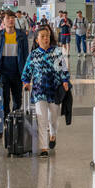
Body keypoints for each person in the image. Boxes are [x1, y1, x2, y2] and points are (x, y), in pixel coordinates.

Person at [21, 25, 71, 157]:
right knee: (41, 119)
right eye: (42, 37)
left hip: (54, 91)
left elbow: (63, 69)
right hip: (39, 91)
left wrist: (65, 81)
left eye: (47, 36)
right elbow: (26, 72)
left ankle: (53, 134)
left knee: (53, 118)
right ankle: (44, 148)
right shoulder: (33, 55)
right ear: (37, 40)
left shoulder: (56, 52)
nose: (45, 39)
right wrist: (26, 82)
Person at [0, 12, 29, 116]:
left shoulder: (21, 35)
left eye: (12, 18)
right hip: (3, 72)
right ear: (3, 21)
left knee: (17, 99)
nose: (11, 20)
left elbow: (26, 55)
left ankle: (15, 120)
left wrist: (26, 74)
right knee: (5, 98)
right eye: (8, 18)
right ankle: (6, 120)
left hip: (18, 72)